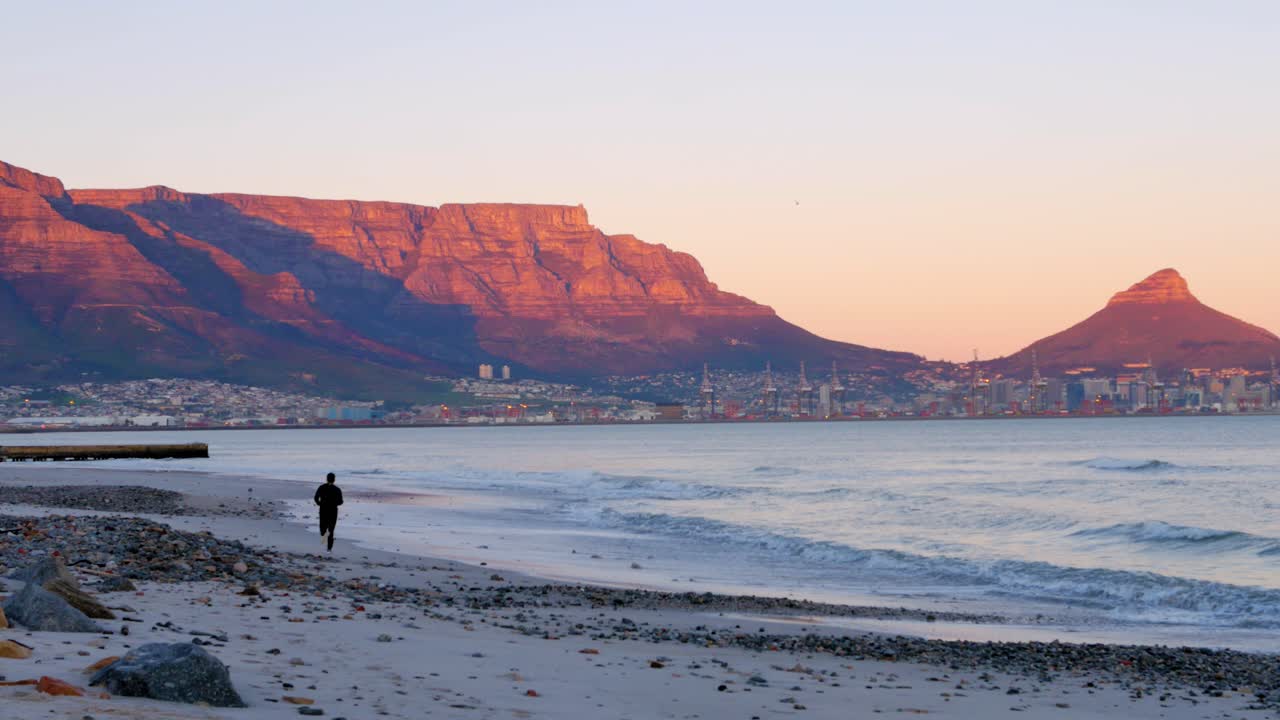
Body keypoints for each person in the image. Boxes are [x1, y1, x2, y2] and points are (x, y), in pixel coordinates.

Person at [314, 472, 344, 552]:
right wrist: (334, 503)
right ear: (334, 480)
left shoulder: (321, 487)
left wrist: (319, 503)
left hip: (323, 510)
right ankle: (329, 549)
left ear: (327, 479)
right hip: (333, 511)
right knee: (331, 529)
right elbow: (341, 502)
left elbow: (316, 497)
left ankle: (325, 539)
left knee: (322, 529)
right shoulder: (337, 489)